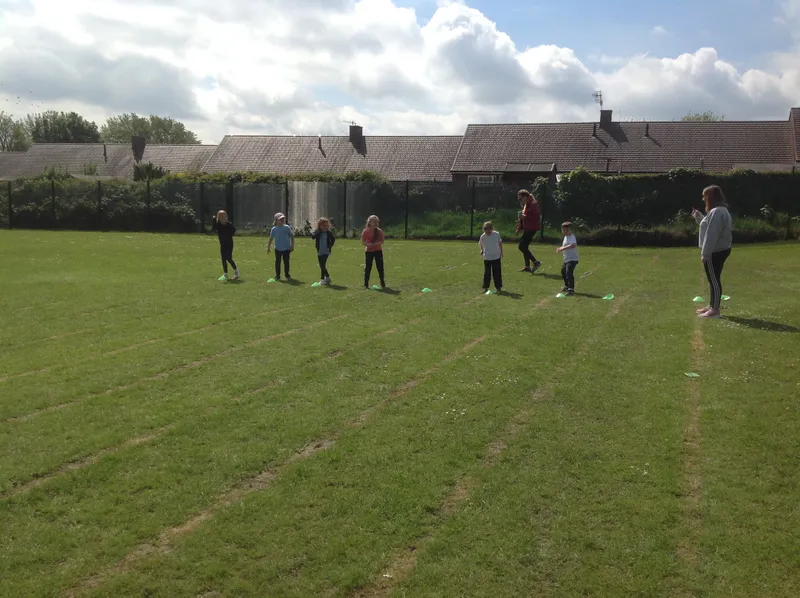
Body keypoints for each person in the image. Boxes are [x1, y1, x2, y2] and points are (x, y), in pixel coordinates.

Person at [692, 185, 732, 319]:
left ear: (711, 197)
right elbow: (708, 227)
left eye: (705, 196)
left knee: (714, 280)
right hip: (719, 250)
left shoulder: (716, 212)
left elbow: (711, 235)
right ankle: (712, 305)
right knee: (713, 280)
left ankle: (715, 310)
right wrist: (699, 217)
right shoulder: (719, 211)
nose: (703, 199)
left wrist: (706, 254)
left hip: (716, 251)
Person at [515, 189, 542, 273]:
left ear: (526, 197)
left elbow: (537, 217)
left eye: (520, 198)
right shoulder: (526, 205)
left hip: (532, 228)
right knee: (524, 247)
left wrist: (526, 217)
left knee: (522, 246)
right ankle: (527, 266)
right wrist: (518, 229)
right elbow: (523, 218)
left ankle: (535, 262)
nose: (520, 200)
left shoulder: (533, 204)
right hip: (528, 228)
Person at [212, 210, 239, 280]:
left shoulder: (228, 224)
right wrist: (213, 220)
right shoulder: (218, 224)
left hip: (229, 244)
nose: (223, 219)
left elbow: (234, 230)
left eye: (225, 217)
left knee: (229, 258)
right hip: (222, 244)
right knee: (223, 259)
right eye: (221, 217)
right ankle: (225, 274)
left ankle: (236, 271)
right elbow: (214, 229)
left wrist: (229, 235)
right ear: (219, 218)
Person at [267, 212, 294, 281]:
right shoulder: (274, 229)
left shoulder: (286, 228)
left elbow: (292, 236)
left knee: (286, 262)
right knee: (277, 262)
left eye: (283, 219)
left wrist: (292, 245)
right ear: (276, 221)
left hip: (286, 249)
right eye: (280, 219)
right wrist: (268, 247)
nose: (282, 221)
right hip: (278, 249)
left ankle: (287, 275)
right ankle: (277, 275)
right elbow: (271, 238)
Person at [361, 214, 385, 289]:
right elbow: (363, 241)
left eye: (376, 222)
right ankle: (366, 283)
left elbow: (382, 241)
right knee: (368, 267)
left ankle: (382, 281)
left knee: (380, 266)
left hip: (378, 250)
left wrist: (376, 243)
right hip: (369, 251)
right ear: (369, 222)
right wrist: (367, 244)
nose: (375, 223)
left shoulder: (379, 231)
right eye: (374, 221)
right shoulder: (365, 231)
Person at [478, 220, 503, 293]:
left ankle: (498, 288)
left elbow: (500, 243)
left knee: (497, 272)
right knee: (487, 273)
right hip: (487, 257)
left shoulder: (496, 234)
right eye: (485, 229)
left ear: (492, 228)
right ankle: (485, 287)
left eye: (489, 229)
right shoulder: (483, 236)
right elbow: (480, 243)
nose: (487, 231)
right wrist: (481, 250)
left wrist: (501, 252)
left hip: (496, 256)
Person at [311, 217, 336, 285]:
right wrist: (319, 232)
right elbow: (313, 237)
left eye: (326, 226)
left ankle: (322, 279)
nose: (325, 227)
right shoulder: (318, 231)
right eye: (323, 226)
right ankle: (327, 277)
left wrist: (330, 246)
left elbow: (333, 239)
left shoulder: (328, 232)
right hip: (319, 251)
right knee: (321, 265)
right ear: (320, 226)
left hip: (326, 251)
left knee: (322, 265)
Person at [556, 221, 579, 296]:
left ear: (571, 230)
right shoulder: (565, 237)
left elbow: (573, 245)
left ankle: (571, 290)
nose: (565, 231)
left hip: (572, 259)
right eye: (563, 230)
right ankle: (567, 286)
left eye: (567, 229)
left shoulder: (572, 237)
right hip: (567, 259)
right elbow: (565, 246)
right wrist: (560, 248)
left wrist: (563, 248)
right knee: (563, 272)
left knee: (569, 272)